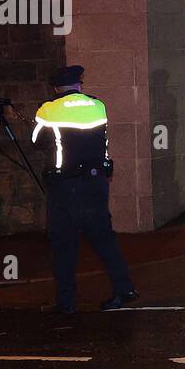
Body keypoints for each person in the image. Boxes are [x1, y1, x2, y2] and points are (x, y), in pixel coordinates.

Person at [31, 65, 137, 314]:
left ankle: (67, 302)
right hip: (96, 182)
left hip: (65, 186)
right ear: (79, 85)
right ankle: (125, 289)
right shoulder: (98, 106)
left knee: (63, 243)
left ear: (57, 88)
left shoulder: (48, 110)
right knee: (104, 239)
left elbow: (35, 141)